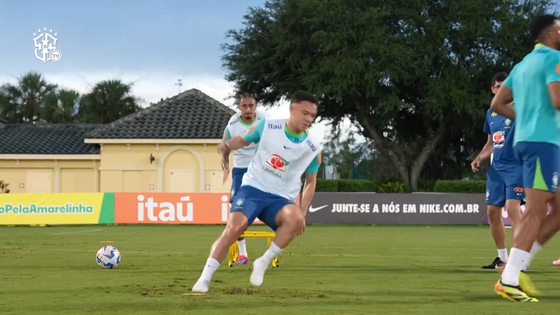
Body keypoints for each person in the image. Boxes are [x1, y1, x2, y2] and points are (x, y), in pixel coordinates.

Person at [191, 91, 322, 293]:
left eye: (312, 115)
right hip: (253, 187)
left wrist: (303, 213)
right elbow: (244, 140)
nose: (308, 119)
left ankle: (263, 261)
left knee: (295, 219)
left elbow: (311, 181)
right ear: (292, 109)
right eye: (305, 113)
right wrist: (227, 147)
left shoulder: (312, 147)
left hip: (280, 199)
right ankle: (204, 279)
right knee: (235, 228)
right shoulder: (268, 126)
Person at [490, 14, 560, 302]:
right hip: (543, 143)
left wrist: (527, 118)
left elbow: (498, 103)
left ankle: (519, 268)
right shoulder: (552, 60)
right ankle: (510, 277)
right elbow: (558, 100)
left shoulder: (521, 65)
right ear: (551, 33)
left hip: (531, 141)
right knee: (534, 211)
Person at [472, 72, 523, 270]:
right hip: (496, 169)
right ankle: (503, 259)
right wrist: (479, 158)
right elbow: (491, 143)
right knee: (492, 212)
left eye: (506, 86)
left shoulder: (519, 109)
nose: (502, 90)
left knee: (512, 209)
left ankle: (520, 260)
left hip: (516, 166)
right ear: (493, 89)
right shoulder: (490, 114)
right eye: (498, 86)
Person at [221, 95, 269, 265]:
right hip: (240, 170)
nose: (248, 109)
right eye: (244, 106)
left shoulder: (265, 120)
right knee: (235, 209)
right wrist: (226, 167)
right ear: (239, 108)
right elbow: (225, 148)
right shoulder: (233, 124)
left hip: (260, 168)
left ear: (256, 106)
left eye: (251, 106)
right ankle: (243, 255)